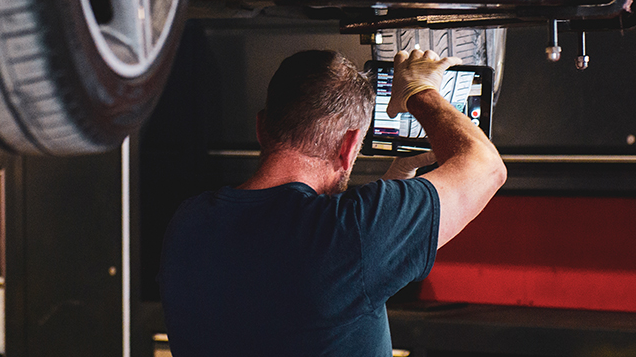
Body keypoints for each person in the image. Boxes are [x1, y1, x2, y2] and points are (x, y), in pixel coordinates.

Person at [159, 48, 506, 356]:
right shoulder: (350, 233)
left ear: (261, 128)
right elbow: (487, 168)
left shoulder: (189, 221)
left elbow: (293, 271)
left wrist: (397, 180)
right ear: (350, 145)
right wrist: (419, 92)